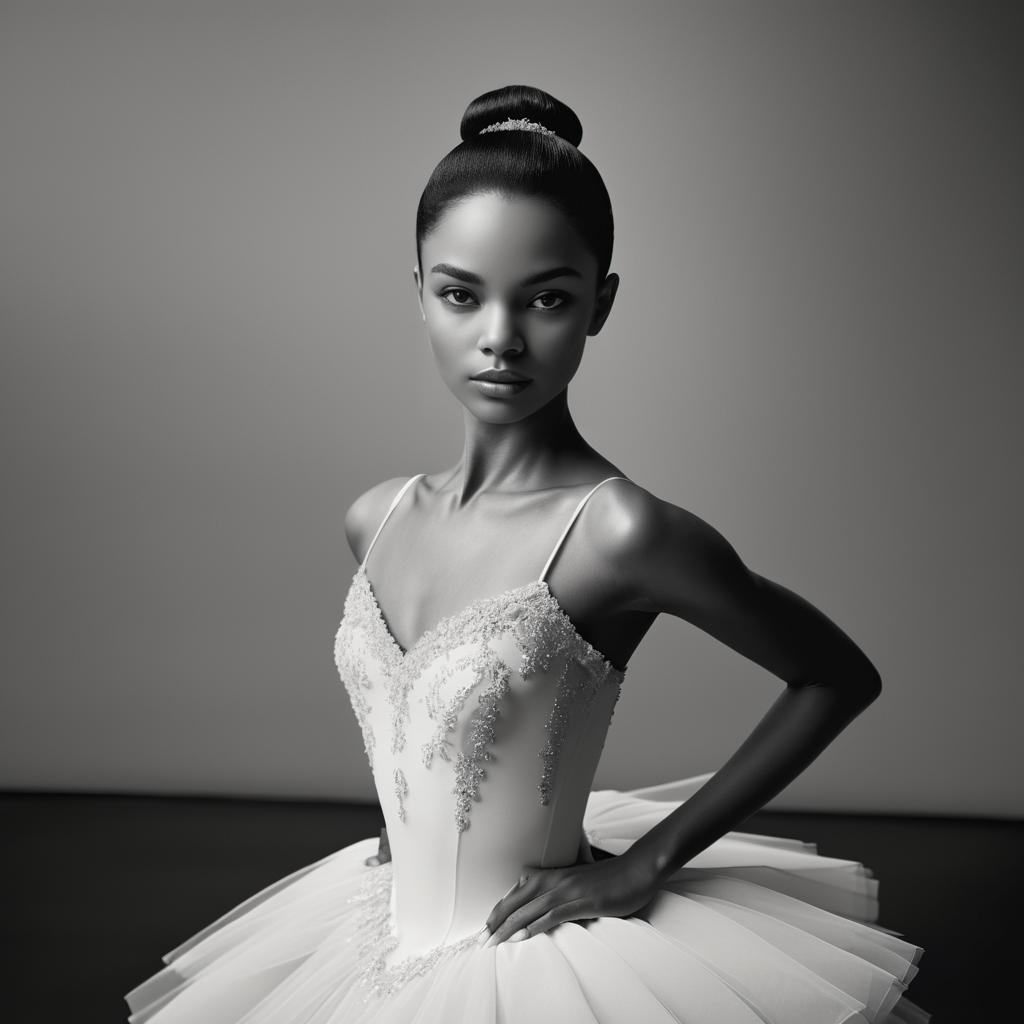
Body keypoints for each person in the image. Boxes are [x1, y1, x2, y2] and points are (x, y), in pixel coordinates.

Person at [124, 84, 930, 1023]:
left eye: (547, 298)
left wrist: (647, 863)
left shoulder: (619, 532)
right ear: (419, 293)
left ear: (601, 304)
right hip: (372, 941)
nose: (500, 339)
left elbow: (836, 676)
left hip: (532, 967)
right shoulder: (376, 517)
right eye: (461, 294)